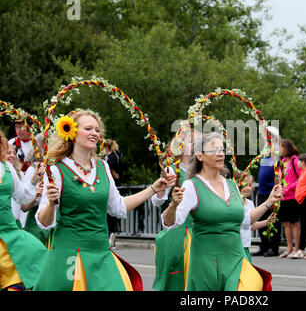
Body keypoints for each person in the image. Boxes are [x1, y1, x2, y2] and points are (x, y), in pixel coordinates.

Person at [33, 109, 176, 291]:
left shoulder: (103, 166)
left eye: (97, 129)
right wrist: (52, 204)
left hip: (101, 253)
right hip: (69, 257)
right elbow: (44, 222)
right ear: (72, 133)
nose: (94, 133)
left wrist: (154, 189)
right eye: (88, 128)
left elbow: (118, 207)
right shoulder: (56, 170)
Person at [162, 132, 282, 290]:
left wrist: (269, 202)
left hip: (236, 261)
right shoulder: (192, 186)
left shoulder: (232, 185)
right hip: (206, 266)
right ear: (200, 155)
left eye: (222, 150)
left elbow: (245, 220)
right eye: (213, 150)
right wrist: (173, 205)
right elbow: (169, 223)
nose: (220, 154)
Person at [0, 130, 47, 291]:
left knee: (38, 253)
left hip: (9, 235)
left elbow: (22, 197)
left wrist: (34, 180)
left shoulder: (6, 168)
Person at [151, 130, 194, 291]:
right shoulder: (171, 170)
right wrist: (162, 190)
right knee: (175, 280)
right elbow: (156, 201)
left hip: (198, 231)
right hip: (178, 233)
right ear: (180, 147)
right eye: (191, 141)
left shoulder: (201, 172)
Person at [253, 126, 282, 257]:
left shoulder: (277, 152)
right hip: (262, 191)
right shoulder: (265, 153)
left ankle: (273, 247)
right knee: (261, 217)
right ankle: (264, 245)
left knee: (273, 218)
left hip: (272, 191)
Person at [237, 172, 276, 263]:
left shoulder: (250, 203)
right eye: (244, 185)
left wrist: (266, 222)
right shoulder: (235, 203)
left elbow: (250, 225)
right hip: (236, 247)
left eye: (250, 185)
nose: (247, 188)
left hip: (246, 246)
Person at [20, 133, 50, 246]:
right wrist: (37, 196)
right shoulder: (33, 170)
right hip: (35, 224)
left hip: (51, 224)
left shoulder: (54, 169)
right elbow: (23, 204)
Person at [277, 139, 302, 259]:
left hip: (293, 196)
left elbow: (300, 178)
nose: (279, 150)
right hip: (283, 197)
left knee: (294, 223)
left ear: (287, 148)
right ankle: (289, 248)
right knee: (286, 223)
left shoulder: (295, 161)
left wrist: (289, 188)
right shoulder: (281, 162)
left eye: (281, 147)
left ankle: (297, 248)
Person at [104, 139, 123, 249]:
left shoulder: (112, 157)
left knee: (110, 211)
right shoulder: (115, 156)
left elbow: (112, 169)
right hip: (114, 184)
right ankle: (111, 233)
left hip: (113, 184)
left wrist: (113, 173)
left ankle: (111, 232)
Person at [6, 144, 25, 229]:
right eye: (8, 153)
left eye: (14, 153)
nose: (13, 156)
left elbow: (23, 200)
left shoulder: (20, 174)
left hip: (16, 222)